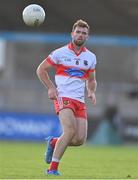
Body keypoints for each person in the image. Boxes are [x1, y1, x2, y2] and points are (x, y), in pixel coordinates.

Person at [36, 19, 97, 176]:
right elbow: (41, 70)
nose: (80, 35)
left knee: (79, 140)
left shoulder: (90, 57)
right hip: (63, 97)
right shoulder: (60, 53)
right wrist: (50, 87)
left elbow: (91, 79)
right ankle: (52, 169)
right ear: (72, 34)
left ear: (87, 37)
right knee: (69, 131)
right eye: (78, 32)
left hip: (80, 101)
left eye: (84, 33)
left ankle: (53, 142)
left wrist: (91, 91)